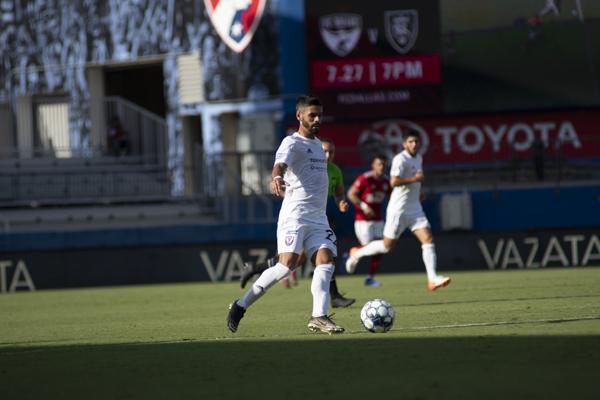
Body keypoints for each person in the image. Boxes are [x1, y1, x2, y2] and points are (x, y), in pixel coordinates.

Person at [227, 95, 345, 334]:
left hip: (318, 218)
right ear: (299, 115)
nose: (317, 119)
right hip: (295, 216)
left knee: (325, 261)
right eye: (312, 115)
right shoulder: (292, 143)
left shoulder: (317, 144)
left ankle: (319, 316)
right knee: (287, 265)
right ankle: (240, 305)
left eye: (320, 115)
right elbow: (279, 164)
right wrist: (277, 177)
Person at [238, 140, 355, 308]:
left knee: (315, 259)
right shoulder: (307, 165)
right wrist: (286, 191)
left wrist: (341, 202)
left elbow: (339, 194)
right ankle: (253, 277)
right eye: (325, 151)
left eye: (331, 152)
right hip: (298, 216)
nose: (328, 155)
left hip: (318, 217)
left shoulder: (335, 171)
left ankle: (255, 268)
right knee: (293, 262)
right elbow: (283, 174)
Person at [345, 129, 451, 291]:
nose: (414, 144)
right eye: (410, 141)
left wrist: (418, 189)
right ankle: (356, 253)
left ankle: (432, 279)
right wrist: (414, 180)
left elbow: (410, 182)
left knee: (428, 239)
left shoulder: (419, 158)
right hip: (398, 210)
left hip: (415, 208)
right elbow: (394, 182)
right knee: (387, 246)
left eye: (416, 141)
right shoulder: (400, 159)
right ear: (404, 144)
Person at [346, 154, 391, 286]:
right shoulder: (366, 178)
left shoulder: (386, 182)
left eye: (383, 164)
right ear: (373, 165)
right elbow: (351, 194)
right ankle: (355, 251)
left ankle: (369, 276)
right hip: (363, 220)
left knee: (381, 248)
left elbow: (392, 195)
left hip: (378, 219)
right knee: (369, 246)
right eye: (379, 164)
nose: (381, 167)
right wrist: (364, 207)